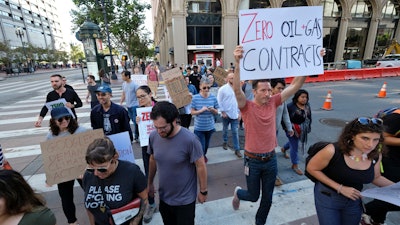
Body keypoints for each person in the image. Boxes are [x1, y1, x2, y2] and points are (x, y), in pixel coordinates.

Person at [231, 45, 323, 225]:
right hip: (252, 161)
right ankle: (238, 193)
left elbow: (296, 85)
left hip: (271, 160)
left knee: (267, 199)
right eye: (263, 90)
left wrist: (309, 64)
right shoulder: (247, 107)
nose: (267, 93)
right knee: (252, 196)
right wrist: (237, 62)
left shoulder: (274, 102)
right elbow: (236, 90)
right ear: (254, 91)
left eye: (268, 90)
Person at [307, 117, 394, 225]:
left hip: (353, 200)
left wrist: (397, 188)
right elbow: (312, 168)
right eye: (365, 138)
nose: (370, 145)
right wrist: (340, 188)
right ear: (352, 136)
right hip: (328, 197)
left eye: (375, 139)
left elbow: (376, 178)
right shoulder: (332, 150)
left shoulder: (375, 155)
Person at [148, 101, 208, 225]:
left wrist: (203, 191)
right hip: (164, 198)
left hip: (184, 202)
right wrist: (150, 183)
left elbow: (200, 165)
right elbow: (153, 159)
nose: (160, 131)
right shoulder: (153, 136)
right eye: (156, 127)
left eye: (163, 127)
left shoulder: (190, 139)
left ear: (175, 121)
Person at [83, 137, 148, 225]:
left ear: (114, 157)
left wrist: (135, 222)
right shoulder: (88, 175)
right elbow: (88, 205)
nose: (96, 173)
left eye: (102, 169)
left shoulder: (132, 172)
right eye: (91, 168)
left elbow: (144, 199)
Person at [46, 106, 86, 225]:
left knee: (91, 192)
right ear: (53, 121)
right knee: (66, 197)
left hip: (81, 169)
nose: (64, 121)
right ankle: (72, 221)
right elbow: (50, 157)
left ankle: (100, 214)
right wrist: (50, 175)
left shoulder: (81, 130)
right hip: (64, 170)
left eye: (67, 118)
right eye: (60, 119)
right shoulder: (50, 136)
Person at [362, 110, 400, 225]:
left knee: (391, 194)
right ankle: (366, 210)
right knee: (393, 194)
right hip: (391, 162)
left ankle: (376, 219)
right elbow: (381, 137)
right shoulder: (396, 118)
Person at [135, 85, 157, 223]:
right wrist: (138, 124)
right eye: (138, 97)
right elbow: (138, 136)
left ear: (150, 94)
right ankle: (151, 204)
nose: (140, 99)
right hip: (147, 150)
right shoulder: (138, 111)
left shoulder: (161, 107)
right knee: (149, 178)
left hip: (164, 147)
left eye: (143, 96)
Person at [281, 89, 312, 175]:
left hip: (302, 129)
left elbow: (309, 117)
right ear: (297, 97)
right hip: (291, 129)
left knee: (294, 142)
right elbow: (283, 118)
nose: (304, 99)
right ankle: (295, 165)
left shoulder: (307, 105)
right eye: (302, 97)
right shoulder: (290, 106)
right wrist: (287, 129)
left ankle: (284, 148)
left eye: (306, 97)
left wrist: (308, 127)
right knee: (295, 146)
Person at [271, 78, 294, 186]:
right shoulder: (265, 99)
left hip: (274, 131)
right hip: (262, 132)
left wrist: (289, 128)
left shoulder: (282, 100)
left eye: (282, 88)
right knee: (268, 154)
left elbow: (285, 114)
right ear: (272, 88)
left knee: (271, 154)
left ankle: (273, 175)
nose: (281, 90)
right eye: (278, 88)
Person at [191, 77, 219, 163]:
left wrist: (213, 110)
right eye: (204, 88)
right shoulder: (195, 98)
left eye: (208, 88)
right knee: (201, 146)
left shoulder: (213, 98)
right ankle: (200, 160)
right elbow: (192, 112)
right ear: (200, 87)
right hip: (199, 128)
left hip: (210, 127)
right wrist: (201, 110)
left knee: (206, 146)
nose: (206, 90)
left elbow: (217, 111)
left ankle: (203, 156)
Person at [217, 73, 242, 158]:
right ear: (227, 79)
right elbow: (219, 101)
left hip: (235, 113)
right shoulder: (222, 89)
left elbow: (240, 101)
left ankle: (237, 149)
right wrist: (222, 112)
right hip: (226, 114)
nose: (232, 79)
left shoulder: (238, 89)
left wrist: (240, 113)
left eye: (234, 78)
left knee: (235, 131)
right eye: (231, 78)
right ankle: (225, 141)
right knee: (225, 129)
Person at [120, 70, 140, 142]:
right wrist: (121, 101)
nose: (122, 77)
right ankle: (137, 134)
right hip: (128, 105)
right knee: (132, 119)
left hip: (135, 105)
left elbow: (138, 95)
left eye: (123, 76)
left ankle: (136, 136)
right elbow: (124, 93)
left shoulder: (135, 85)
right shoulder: (124, 84)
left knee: (135, 121)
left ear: (127, 76)